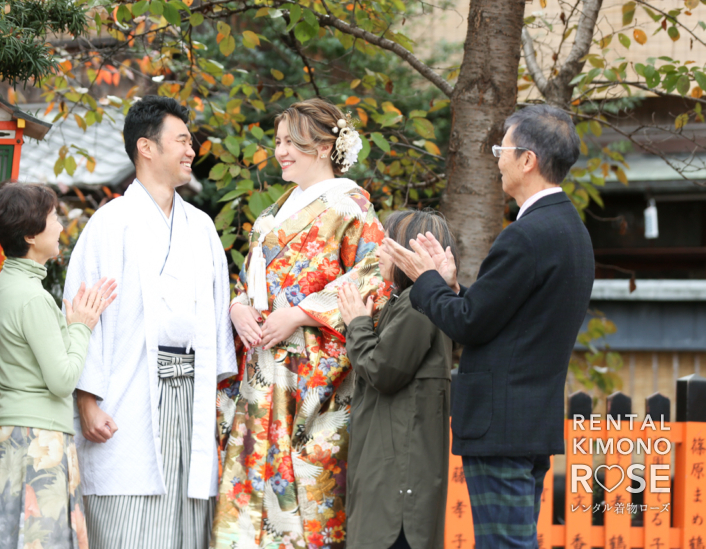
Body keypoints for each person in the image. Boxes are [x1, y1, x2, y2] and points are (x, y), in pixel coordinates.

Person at [385, 104, 594, 549]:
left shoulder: (526, 234)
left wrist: (424, 281)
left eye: (503, 147)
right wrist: (452, 286)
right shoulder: (569, 228)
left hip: (500, 425)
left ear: (527, 160)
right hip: (529, 422)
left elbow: (470, 324)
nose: (497, 157)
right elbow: (500, 318)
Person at [212, 99, 388, 549]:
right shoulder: (274, 212)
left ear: (326, 146)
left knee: (303, 483)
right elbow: (249, 281)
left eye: (293, 141)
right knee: (250, 486)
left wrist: (301, 312)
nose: (281, 151)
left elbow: (376, 276)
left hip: (311, 370)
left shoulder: (351, 207)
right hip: (262, 365)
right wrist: (238, 307)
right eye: (278, 141)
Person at [63, 96, 237, 549]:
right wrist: (86, 400)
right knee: (130, 523)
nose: (191, 149)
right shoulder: (110, 224)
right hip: (127, 394)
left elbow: (218, 315)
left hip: (192, 393)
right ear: (146, 147)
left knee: (188, 523)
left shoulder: (200, 227)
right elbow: (83, 316)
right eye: (182, 139)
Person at [0, 182, 116, 549]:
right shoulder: (32, 297)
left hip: (12, 432)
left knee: (11, 535)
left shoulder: (8, 285)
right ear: (30, 235)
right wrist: (81, 328)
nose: (60, 225)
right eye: (53, 217)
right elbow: (62, 379)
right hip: (36, 438)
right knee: (40, 539)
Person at [338, 210, 454, 549]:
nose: (376, 252)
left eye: (384, 244)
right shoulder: (414, 300)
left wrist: (358, 323)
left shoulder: (418, 303)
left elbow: (382, 370)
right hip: (392, 476)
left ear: (406, 252)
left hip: (397, 490)